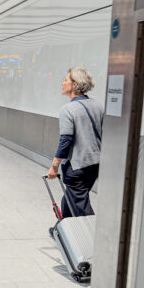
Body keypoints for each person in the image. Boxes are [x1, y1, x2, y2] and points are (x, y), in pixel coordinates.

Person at [47, 67, 103, 218]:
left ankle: (92, 236)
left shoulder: (68, 109)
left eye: (65, 80)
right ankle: (64, 227)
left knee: (79, 203)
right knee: (71, 196)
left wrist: (54, 166)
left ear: (75, 84)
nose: (62, 83)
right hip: (95, 164)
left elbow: (66, 140)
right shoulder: (98, 106)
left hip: (76, 166)